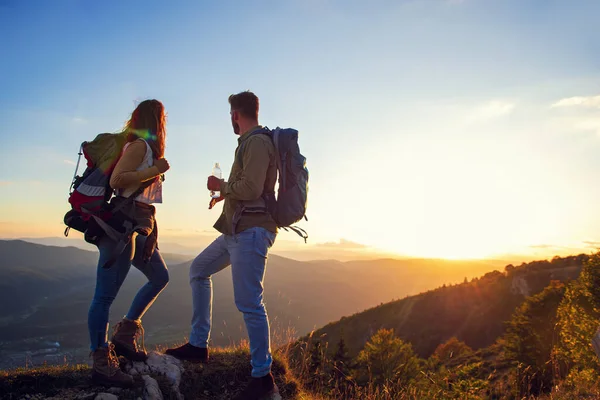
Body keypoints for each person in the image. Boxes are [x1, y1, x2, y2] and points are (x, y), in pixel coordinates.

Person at [166, 91, 279, 399]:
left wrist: (222, 186)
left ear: (236, 114)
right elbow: (248, 189)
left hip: (251, 232)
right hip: (235, 231)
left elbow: (252, 187)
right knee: (198, 270)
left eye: (231, 114)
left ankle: (262, 376)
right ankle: (198, 345)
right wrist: (224, 195)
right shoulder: (249, 143)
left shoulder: (256, 143)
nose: (230, 119)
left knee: (249, 302)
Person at [88, 99, 171, 387]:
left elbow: (142, 196)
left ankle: (124, 336)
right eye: (164, 119)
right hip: (121, 229)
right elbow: (118, 181)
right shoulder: (139, 147)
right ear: (157, 121)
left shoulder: (146, 150)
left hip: (139, 227)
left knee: (160, 276)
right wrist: (155, 168)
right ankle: (101, 363)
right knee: (104, 297)